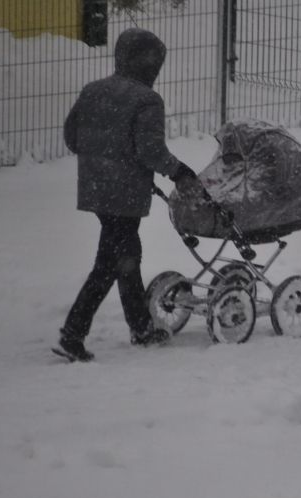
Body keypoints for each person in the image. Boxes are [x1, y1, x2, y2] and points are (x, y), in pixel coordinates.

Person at [55, 28, 197, 362]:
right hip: (124, 195)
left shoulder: (93, 91)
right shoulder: (147, 100)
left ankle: (141, 328)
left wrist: (103, 159)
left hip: (97, 190)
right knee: (111, 263)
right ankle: (73, 334)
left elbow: (72, 138)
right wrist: (180, 172)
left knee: (125, 257)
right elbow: (150, 151)